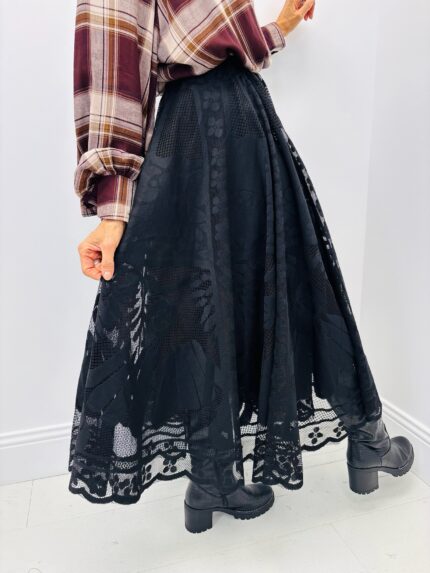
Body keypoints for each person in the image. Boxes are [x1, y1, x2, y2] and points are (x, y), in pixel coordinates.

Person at [68, 0, 414, 534]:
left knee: (208, 296)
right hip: (224, 124)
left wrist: (279, 28)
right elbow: (115, 66)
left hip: (216, 122)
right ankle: (366, 439)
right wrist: (113, 212)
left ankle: (214, 476)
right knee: (293, 279)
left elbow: (217, 46)